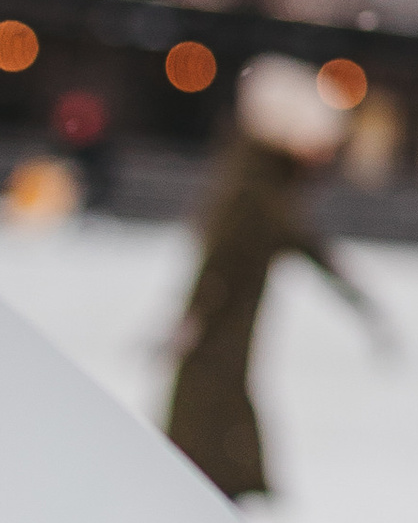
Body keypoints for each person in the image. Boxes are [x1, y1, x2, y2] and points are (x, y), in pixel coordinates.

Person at [164, 55, 383, 498]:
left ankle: (205, 485)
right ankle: (206, 488)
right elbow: (239, 251)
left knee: (211, 403)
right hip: (223, 324)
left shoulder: (262, 178)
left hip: (226, 324)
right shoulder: (258, 186)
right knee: (209, 408)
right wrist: (196, 315)